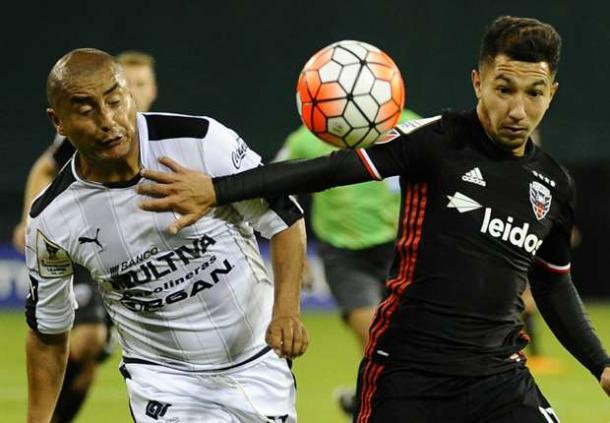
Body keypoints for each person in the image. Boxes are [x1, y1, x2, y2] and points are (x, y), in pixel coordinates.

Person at [137, 16, 610, 422]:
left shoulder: (553, 184)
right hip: (409, 373)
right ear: (478, 82)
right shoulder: (437, 140)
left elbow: (552, 284)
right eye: (504, 89)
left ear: (553, 93)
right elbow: (328, 169)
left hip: (499, 375)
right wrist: (217, 189)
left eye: (535, 93)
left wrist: (601, 365)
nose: (518, 109)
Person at [25, 48, 309, 423]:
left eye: (114, 100)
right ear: (57, 121)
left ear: (130, 94)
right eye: (85, 109)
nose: (108, 120)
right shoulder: (52, 220)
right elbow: (48, 331)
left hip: (257, 360)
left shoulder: (202, 142)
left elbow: (285, 218)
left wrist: (286, 311)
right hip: (163, 381)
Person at [15, 50, 157, 423]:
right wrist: (28, 221)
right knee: (88, 338)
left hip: (131, 256)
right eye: (131, 83)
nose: (136, 91)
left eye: (142, 84)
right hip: (84, 244)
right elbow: (45, 167)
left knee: (93, 354)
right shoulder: (92, 133)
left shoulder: (159, 139)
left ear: (152, 90)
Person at [276, 109, 420, 415]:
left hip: (401, 249)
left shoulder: (409, 125)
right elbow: (276, 185)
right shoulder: (306, 139)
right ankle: (377, 399)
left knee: (413, 339)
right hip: (344, 254)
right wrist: (295, 251)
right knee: (375, 337)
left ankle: (367, 397)